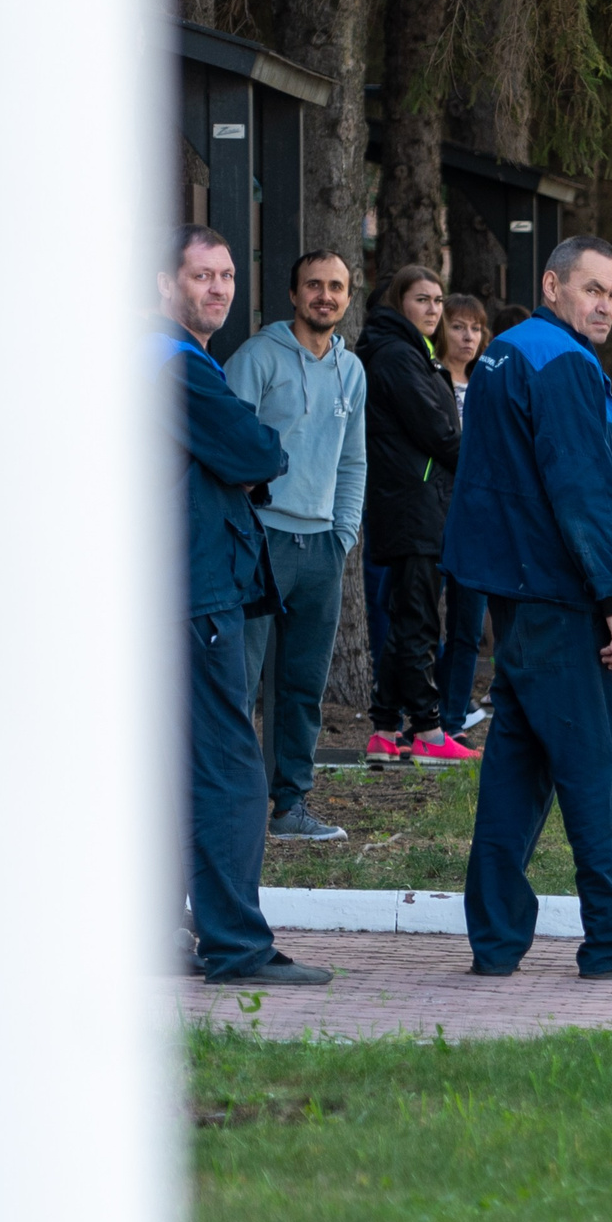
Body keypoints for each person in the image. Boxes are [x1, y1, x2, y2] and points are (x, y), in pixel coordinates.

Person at [441, 233, 612, 979]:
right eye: (592, 290)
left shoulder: (504, 353)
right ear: (553, 286)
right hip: (566, 598)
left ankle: (494, 941)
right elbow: (585, 492)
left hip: (515, 598)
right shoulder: (566, 363)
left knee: (515, 769)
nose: (606, 306)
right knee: (602, 771)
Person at [160, 225, 333, 986]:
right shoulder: (175, 364)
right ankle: (236, 946)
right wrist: (246, 459)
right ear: (162, 284)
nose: (219, 288)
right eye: (202, 275)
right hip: (193, 591)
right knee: (231, 766)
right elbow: (259, 451)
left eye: (228, 275)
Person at [222, 248, 365, 843]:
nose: (324, 296)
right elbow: (227, 446)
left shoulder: (351, 370)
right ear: (293, 293)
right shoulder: (257, 357)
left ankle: (290, 808)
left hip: (322, 546)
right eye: (314, 285)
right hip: (261, 539)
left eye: (336, 286)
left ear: (348, 297)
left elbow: (353, 460)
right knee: (240, 680)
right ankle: (233, 809)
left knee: (303, 685)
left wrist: (344, 533)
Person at [361, 266, 474, 766]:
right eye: (422, 299)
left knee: (409, 616)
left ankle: (385, 729)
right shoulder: (397, 355)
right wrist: (482, 467)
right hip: (414, 503)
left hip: (417, 501)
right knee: (419, 621)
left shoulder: (411, 351)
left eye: (437, 300)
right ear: (398, 302)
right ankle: (428, 730)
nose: (433, 309)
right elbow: (437, 431)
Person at [436, 294, 493, 734]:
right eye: (458, 326)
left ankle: (453, 718)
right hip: (433, 512)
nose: (468, 336)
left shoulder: (488, 384)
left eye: (475, 328)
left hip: (479, 519)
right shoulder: (427, 379)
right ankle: (418, 715)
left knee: (467, 626)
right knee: (419, 621)